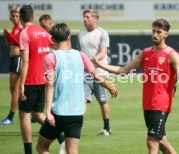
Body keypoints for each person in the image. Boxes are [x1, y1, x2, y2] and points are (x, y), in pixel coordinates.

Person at [93, 19, 179, 154]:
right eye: (153, 31)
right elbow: (124, 70)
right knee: (162, 142)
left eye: (159, 32)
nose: (155, 34)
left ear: (166, 34)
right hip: (147, 104)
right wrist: (100, 65)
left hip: (161, 103)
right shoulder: (145, 53)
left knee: (152, 141)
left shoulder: (172, 55)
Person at [36, 23, 118, 154]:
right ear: (69, 37)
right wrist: (110, 86)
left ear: (52, 39)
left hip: (58, 113)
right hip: (77, 114)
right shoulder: (81, 56)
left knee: (41, 147)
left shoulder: (50, 58)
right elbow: (96, 76)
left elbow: (50, 85)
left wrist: (48, 112)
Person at [18, 5, 65, 154]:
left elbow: (24, 62)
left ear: (20, 18)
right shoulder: (44, 33)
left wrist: (21, 85)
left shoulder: (25, 33)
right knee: (37, 113)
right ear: (32, 17)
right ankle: (61, 137)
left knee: (24, 114)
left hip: (30, 80)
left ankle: (28, 152)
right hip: (44, 80)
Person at [77, 9, 112, 135]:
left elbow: (103, 52)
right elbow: (79, 52)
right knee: (82, 100)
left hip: (100, 72)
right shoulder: (80, 33)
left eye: (87, 17)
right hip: (85, 74)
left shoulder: (102, 33)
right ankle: (77, 127)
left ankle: (107, 128)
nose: (84, 19)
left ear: (95, 19)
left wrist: (91, 62)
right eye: (84, 17)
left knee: (102, 101)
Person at [1, 6, 23, 125]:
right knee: (14, 89)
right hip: (14, 59)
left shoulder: (21, 29)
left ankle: (10, 117)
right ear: (10, 17)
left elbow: (22, 47)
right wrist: (6, 37)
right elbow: (9, 47)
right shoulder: (14, 29)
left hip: (18, 59)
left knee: (15, 89)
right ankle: (26, 112)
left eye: (17, 15)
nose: (15, 17)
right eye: (13, 15)